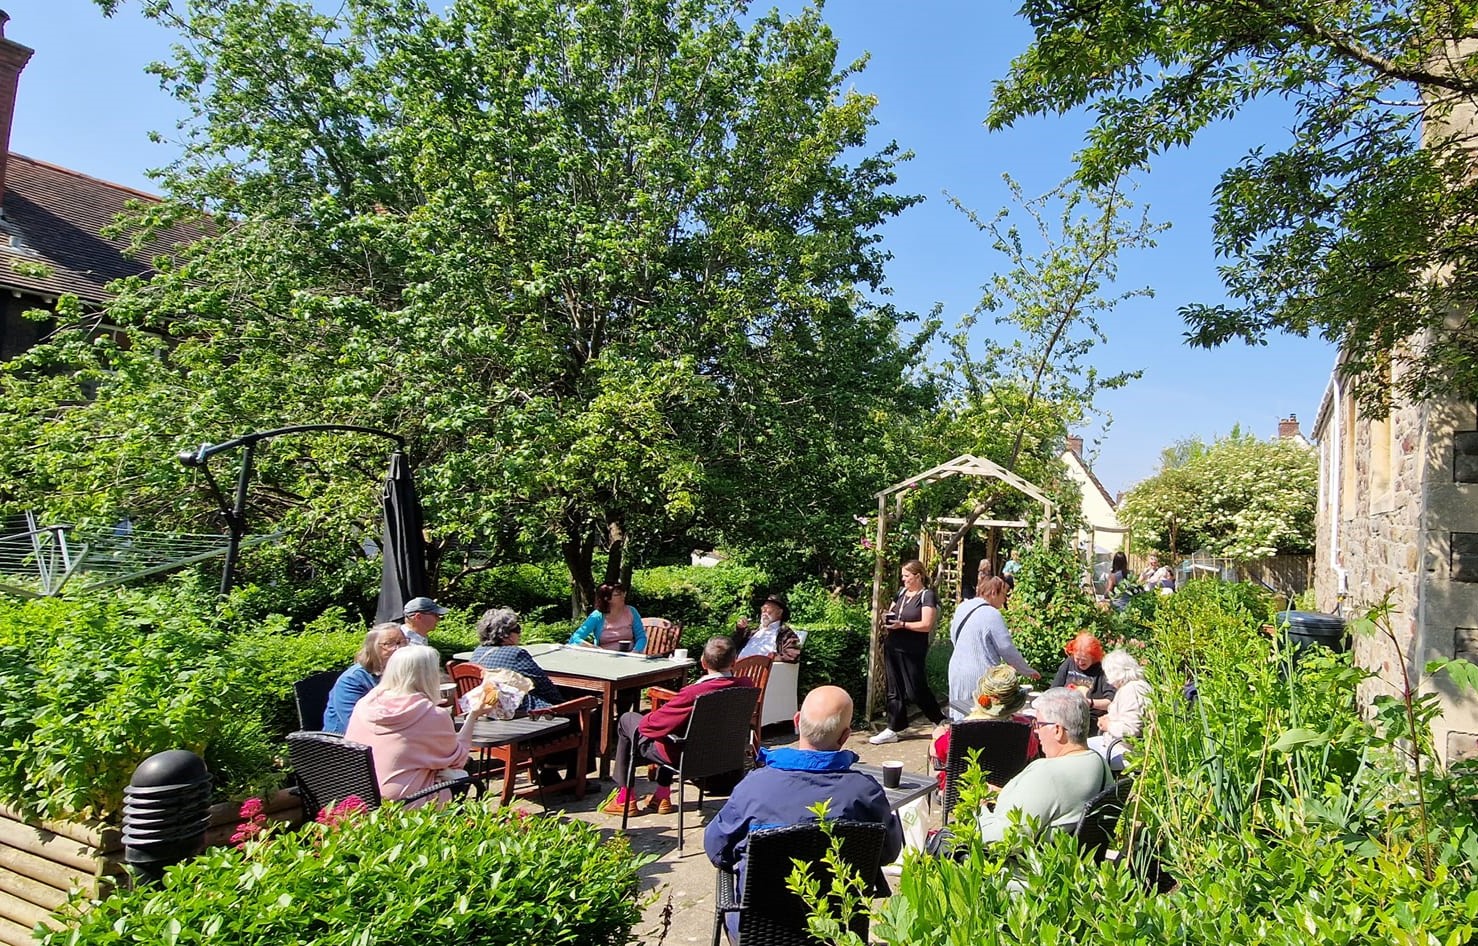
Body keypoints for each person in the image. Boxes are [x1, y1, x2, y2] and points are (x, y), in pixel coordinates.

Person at [704, 685, 902, 943]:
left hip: (758, 932)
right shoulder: (864, 792)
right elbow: (888, 852)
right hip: (838, 929)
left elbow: (717, 848)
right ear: (845, 736)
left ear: (797, 721)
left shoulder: (754, 788)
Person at [602, 636, 751, 816]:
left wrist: (652, 715)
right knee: (675, 729)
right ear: (734, 662)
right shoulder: (745, 687)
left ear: (703, 662)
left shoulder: (694, 693)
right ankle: (661, 795)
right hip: (719, 757)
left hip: (684, 757)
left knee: (627, 720)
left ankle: (625, 798)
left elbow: (650, 727)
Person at [344, 645, 490, 807]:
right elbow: (458, 760)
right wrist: (473, 716)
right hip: (406, 803)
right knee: (462, 770)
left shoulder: (364, 704)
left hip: (360, 798)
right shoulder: (432, 714)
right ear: (429, 675)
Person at [977, 687, 1113, 843]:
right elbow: (1057, 803)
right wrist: (1004, 794)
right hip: (1074, 854)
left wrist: (980, 808)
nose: (1036, 731)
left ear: (1057, 730)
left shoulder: (1047, 773)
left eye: (1039, 724)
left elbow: (1002, 840)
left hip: (1020, 857)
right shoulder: (1099, 763)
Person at [929, 664, 1039, 792]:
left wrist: (937, 736)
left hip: (965, 793)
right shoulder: (1024, 726)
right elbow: (1031, 754)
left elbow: (938, 753)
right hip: (1008, 792)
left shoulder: (961, 730)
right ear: (1014, 702)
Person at [870, 559, 945, 745]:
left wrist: (903, 624)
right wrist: (887, 618)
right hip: (893, 645)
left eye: (906, 576)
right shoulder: (902, 593)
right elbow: (892, 612)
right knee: (893, 689)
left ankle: (939, 720)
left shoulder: (927, 595)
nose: (903, 579)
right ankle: (893, 727)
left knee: (915, 690)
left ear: (918, 576)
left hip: (912, 649)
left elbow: (926, 625)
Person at [946, 575, 1039, 719]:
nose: (1005, 599)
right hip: (979, 673)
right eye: (1004, 594)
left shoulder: (962, 607)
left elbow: (953, 636)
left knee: (960, 714)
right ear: (994, 592)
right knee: (981, 716)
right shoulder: (992, 614)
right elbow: (1006, 648)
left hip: (956, 669)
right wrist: (1027, 671)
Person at [468, 607, 565, 713]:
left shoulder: (478, 651)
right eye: (517, 629)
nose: (520, 633)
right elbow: (543, 684)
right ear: (505, 634)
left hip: (483, 710)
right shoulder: (515, 654)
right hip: (517, 714)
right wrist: (562, 703)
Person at [322, 622, 408, 734]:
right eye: (389, 643)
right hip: (344, 739)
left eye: (402, 642)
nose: (399, 648)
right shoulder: (352, 680)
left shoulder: (400, 671)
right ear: (373, 648)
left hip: (390, 729)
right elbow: (354, 723)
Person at [1088, 650, 1152, 770]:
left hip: (1125, 752)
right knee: (1083, 745)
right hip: (1116, 744)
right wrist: (1109, 718)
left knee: (1080, 754)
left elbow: (1131, 730)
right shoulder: (1140, 685)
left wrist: (1108, 725)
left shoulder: (1131, 691)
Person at [568, 582, 647, 652]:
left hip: (630, 655)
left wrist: (635, 651)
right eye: (617, 595)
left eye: (623, 593)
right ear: (607, 599)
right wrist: (595, 648)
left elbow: (641, 637)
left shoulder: (631, 611)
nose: (623, 596)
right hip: (604, 657)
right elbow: (575, 638)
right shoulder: (597, 616)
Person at [1050, 631, 1116, 712]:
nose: (1080, 663)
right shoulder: (1069, 662)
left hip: (1091, 714)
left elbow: (1111, 702)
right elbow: (1053, 690)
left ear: (1093, 657)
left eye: (1084, 660)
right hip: (1066, 711)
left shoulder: (1102, 670)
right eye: (1077, 659)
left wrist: (1090, 703)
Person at [733, 593, 801, 662]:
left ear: (779, 612)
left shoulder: (785, 634)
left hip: (761, 668)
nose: (763, 612)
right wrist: (740, 631)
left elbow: (792, 655)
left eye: (767, 609)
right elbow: (732, 647)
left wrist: (769, 659)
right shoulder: (752, 631)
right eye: (762, 609)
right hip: (735, 666)